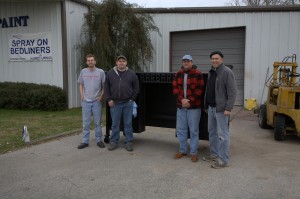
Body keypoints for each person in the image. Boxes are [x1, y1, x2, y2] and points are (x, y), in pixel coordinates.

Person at [203, 51, 237, 169]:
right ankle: (215, 155)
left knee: (223, 135)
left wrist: (228, 108)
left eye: (216, 58)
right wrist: (206, 105)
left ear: (222, 59)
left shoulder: (227, 72)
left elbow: (232, 92)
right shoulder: (212, 71)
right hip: (211, 108)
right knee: (212, 133)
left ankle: (223, 160)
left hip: (222, 109)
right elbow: (209, 90)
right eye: (212, 58)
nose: (214, 60)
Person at [172, 55, 205, 162]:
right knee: (181, 130)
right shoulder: (178, 74)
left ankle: (194, 152)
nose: (186, 63)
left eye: (188, 61)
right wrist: (182, 100)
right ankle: (183, 151)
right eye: (184, 61)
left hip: (194, 107)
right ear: (182, 63)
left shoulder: (198, 74)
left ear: (191, 62)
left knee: (194, 130)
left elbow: (200, 90)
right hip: (181, 106)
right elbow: (175, 88)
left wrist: (189, 100)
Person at [104, 55, 139, 152]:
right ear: (116, 63)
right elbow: (106, 88)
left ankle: (129, 142)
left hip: (128, 103)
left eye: (123, 61)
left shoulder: (131, 73)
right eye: (119, 61)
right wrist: (109, 99)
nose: (121, 63)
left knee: (128, 123)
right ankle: (114, 142)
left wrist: (132, 99)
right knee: (115, 124)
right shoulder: (110, 73)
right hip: (115, 103)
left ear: (126, 63)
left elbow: (136, 88)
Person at [77, 54, 106, 149]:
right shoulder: (83, 72)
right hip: (86, 101)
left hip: (97, 101)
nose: (90, 62)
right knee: (86, 123)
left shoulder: (100, 72)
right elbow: (81, 84)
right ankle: (85, 141)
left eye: (92, 60)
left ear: (95, 61)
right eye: (88, 60)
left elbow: (104, 85)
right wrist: (82, 96)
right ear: (86, 62)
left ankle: (99, 140)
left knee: (97, 122)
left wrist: (101, 96)